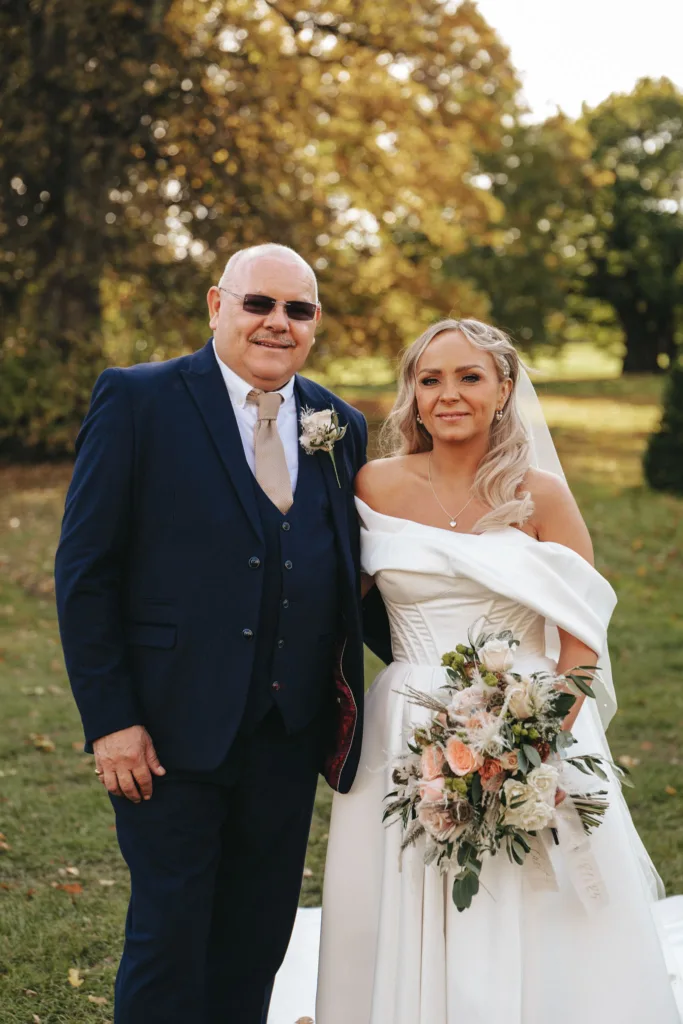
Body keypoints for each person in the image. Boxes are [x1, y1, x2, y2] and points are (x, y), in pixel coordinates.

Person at [313, 318, 683, 1023]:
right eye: (430, 380)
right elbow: (331, 605)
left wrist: (531, 748)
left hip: (529, 721)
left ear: (503, 389)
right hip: (404, 729)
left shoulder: (538, 493)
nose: (447, 394)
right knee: (399, 894)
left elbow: (580, 642)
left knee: (528, 902)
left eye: (468, 377)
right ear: (412, 396)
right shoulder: (372, 485)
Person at [54, 243, 388, 1024]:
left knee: (255, 937)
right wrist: (111, 722)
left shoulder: (337, 424)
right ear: (216, 305)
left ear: (313, 323)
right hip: (166, 732)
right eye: (258, 304)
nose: (277, 322)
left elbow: (353, 576)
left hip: (288, 730)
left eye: (297, 310)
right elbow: (86, 574)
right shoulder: (138, 401)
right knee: (169, 938)